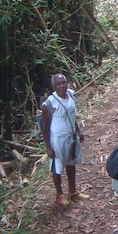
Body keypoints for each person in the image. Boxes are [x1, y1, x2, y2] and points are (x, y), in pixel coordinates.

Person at [40, 73, 88, 207]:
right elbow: (45, 126)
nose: (62, 86)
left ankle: (73, 191)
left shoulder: (71, 95)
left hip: (71, 136)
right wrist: (48, 147)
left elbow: (72, 116)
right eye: (58, 84)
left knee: (71, 164)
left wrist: (78, 131)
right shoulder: (49, 103)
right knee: (57, 167)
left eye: (64, 83)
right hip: (58, 139)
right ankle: (59, 195)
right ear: (53, 86)